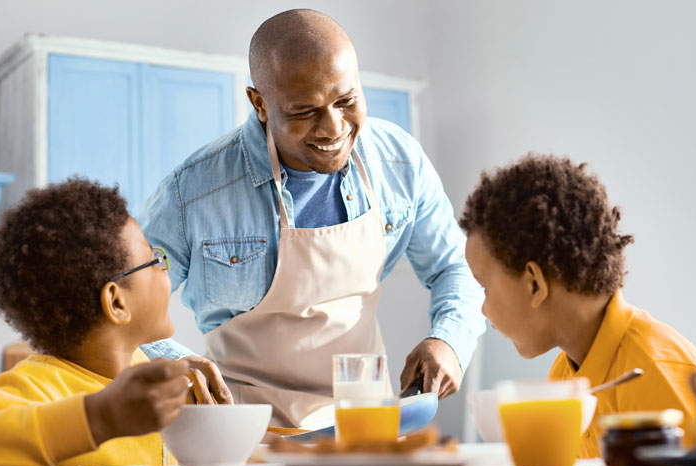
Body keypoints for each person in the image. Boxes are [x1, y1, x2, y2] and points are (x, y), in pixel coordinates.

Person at [140, 9, 484, 428]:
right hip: (243, 431)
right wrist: (177, 364)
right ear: (260, 104)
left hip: (365, 424)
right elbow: (122, 317)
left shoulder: (399, 161)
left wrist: (447, 340)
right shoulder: (192, 192)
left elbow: (454, 265)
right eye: (305, 111)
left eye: (347, 101)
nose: (333, 128)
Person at [0, 178, 230, 466]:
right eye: (155, 260)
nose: (166, 271)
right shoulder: (38, 386)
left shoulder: (148, 372)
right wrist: (100, 416)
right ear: (117, 302)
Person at [459, 154, 696, 459]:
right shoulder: (565, 375)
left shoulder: (654, 372)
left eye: (484, 287)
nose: (483, 309)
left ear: (535, 284)